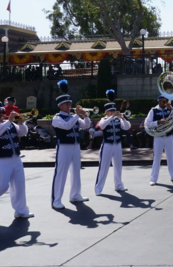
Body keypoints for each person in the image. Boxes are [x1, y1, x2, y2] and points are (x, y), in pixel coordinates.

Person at [51, 80, 91, 209]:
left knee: (76, 172)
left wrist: (85, 116)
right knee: (61, 173)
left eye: (70, 103)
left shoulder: (74, 117)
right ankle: (56, 200)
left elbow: (86, 125)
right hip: (63, 147)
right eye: (66, 104)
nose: (69, 105)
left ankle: (75, 195)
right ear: (60, 106)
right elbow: (67, 127)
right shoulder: (57, 118)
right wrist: (77, 115)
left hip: (75, 146)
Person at [0, 99, 33, 219]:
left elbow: (23, 132)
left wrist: (21, 123)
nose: (1, 114)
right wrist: (8, 121)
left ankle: (21, 211)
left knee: (19, 185)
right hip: (1, 160)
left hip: (15, 158)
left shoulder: (9, 123)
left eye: (2, 111)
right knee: (1, 186)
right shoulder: (5, 123)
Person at [94, 90, 130, 196]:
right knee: (103, 166)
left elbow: (127, 127)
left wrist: (122, 117)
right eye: (111, 111)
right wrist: (111, 117)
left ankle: (118, 185)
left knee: (118, 166)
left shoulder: (119, 120)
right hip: (107, 145)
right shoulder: (103, 119)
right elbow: (102, 126)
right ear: (106, 112)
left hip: (117, 145)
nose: (113, 112)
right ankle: (98, 188)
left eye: (114, 110)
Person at [145, 95, 173, 186]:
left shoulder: (169, 109)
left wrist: (171, 108)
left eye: (165, 101)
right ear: (158, 102)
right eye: (163, 101)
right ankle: (153, 179)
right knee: (157, 158)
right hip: (158, 137)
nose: (164, 103)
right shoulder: (153, 110)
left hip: (168, 136)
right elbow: (147, 123)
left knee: (170, 157)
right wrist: (158, 122)